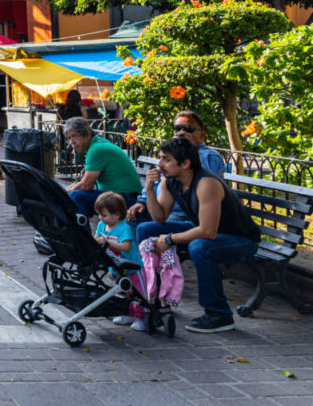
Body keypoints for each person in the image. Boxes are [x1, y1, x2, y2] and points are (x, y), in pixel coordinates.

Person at [136, 136, 260, 333]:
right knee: (146, 229)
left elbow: (207, 232)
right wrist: (150, 189)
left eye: (166, 159)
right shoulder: (170, 182)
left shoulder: (206, 183)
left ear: (185, 163)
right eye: (160, 158)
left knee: (200, 246)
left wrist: (169, 239)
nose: (160, 164)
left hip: (240, 240)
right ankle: (157, 297)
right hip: (208, 232)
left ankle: (219, 314)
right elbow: (159, 218)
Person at [127, 110, 226, 223]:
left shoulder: (209, 156)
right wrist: (142, 201)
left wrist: (188, 148)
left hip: (187, 215)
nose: (181, 132)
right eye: (177, 129)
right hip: (162, 208)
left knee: (149, 228)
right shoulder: (171, 154)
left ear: (202, 134)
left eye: (188, 129)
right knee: (132, 218)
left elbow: (203, 183)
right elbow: (157, 179)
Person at [63, 117, 142, 217]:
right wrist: (65, 191)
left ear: (87, 134)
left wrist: (63, 194)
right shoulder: (97, 145)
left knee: (76, 196)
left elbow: (86, 186)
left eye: (74, 136)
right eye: (69, 138)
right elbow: (83, 183)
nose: (71, 142)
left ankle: (81, 232)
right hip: (120, 195)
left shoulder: (96, 149)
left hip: (126, 198)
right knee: (74, 196)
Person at [93, 192, 147, 331]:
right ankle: (127, 313)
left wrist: (107, 243)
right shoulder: (101, 225)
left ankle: (139, 317)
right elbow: (96, 237)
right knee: (123, 292)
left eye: (104, 215)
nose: (101, 218)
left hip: (133, 268)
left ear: (117, 214)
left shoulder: (124, 228)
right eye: (99, 214)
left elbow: (126, 246)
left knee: (138, 294)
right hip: (116, 268)